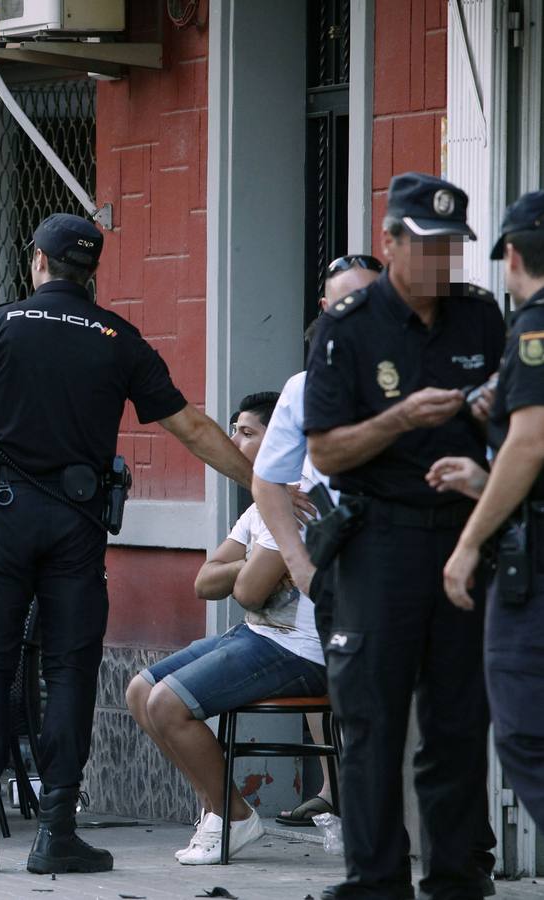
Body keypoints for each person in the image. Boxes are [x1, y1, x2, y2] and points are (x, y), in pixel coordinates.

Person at [0, 212, 254, 876]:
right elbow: (191, 427)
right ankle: (56, 831)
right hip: (76, 526)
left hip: (2, 521)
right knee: (68, 672)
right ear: (92, 273)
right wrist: (260, 482)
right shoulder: (119, 338)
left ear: (40, 264)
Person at [303, 172, 505, 900]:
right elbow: (324, 452)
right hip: (380, 542)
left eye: (453, 248)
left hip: (461, 536)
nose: (444, 263)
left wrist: (484, 416)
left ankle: (457, 877)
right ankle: (375, 880)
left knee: (456, 718)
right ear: (390, 243)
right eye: (429, 247)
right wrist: (399, 420)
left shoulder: (481, 317)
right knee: (373, 720)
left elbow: (513, 419)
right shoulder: (349, 327)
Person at [127, 392, 328, 865]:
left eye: (248, 433)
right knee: (139, 691)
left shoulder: (296, 501)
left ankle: (235, 818)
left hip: (302, 651)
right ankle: (219, 813)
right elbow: (205, 582)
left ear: (281, 438)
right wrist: (253, 563)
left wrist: (251, 569)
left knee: (168, 703)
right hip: (258, 636)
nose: (234, 441)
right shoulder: (264, 502)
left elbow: (247, 594)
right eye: (234, 430)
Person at [249, 253, 382, 826]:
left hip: (421, 564)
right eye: (346, 301)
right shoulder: (306, 386)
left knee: (442, 720)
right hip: (344, 577)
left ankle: (461, 858)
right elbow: (267, 480)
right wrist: (300, 566)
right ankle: (376, 865)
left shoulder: (432, 368)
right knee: (361, 717)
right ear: (327, 310)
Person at [438, 190, 544, 825]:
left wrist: (471, 540)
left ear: (509, 254)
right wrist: (488, 479)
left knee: (525, 732)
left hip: (532, 568)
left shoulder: (533, 325)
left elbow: (532, 441)